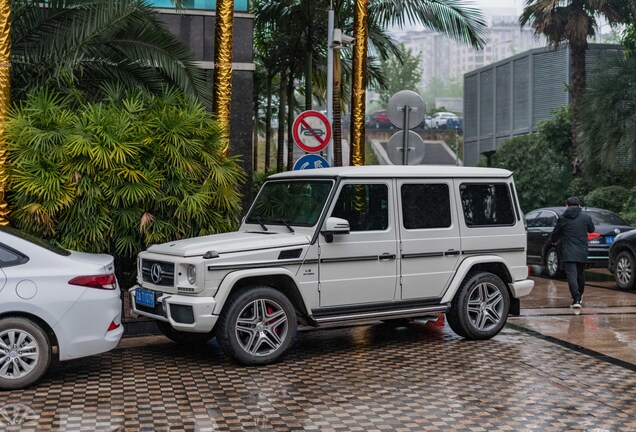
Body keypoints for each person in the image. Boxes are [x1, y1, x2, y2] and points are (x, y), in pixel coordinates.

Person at [550, 196, 595, 309]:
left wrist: (554, 241)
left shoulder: (563, 218)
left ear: (567, 205)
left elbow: (556, 233)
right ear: (579, 205)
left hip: (568, 251)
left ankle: (576, 299)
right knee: (580, 274)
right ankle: (579, 296)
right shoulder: (586, 217)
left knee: (571, 275)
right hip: (582, 250)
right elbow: (592, 230)